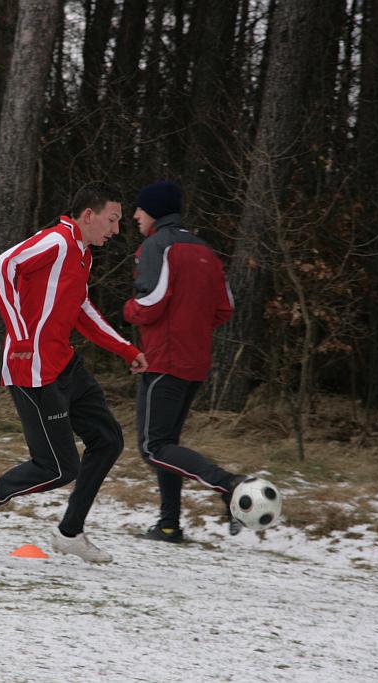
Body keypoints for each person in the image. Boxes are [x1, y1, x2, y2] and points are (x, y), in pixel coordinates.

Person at [0, 182, 148, 564]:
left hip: (65, 365)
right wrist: (19, 332)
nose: (115, 230)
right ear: (89, 215)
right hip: (32, 371)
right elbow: (0, 267)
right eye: (112, 220)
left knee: (108, 439)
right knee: (58, 468)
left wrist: (126, 349)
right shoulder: (58, 241)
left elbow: (82, 310)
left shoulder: (82, 254)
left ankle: (70, 532)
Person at [123, 180, 247, 542]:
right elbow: (224, 308)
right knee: (167, 446)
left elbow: (150, 303)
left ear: (154, 211)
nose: (135, 215)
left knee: (153, 448)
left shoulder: (157, 245)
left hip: (165, 359)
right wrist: (190, 326)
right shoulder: (205, 249)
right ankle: (168, 525)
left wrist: (127, 310)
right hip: (194, 361)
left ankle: (229, 485)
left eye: (140, 209)